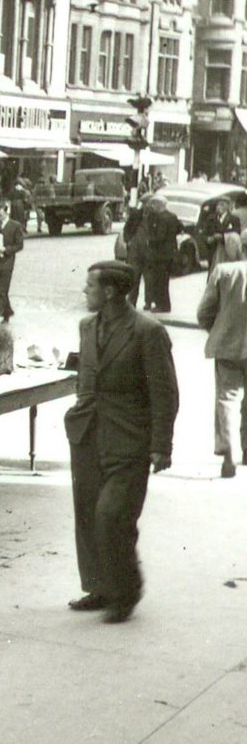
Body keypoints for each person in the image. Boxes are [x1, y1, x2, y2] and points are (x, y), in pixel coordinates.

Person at [66, 261, 177, 624]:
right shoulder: (87, 327)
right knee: (87, 515)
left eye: (90, 286)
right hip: (88, 434)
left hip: (129, 437)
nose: (85, 291)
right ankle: (100, 588)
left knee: (112, 515)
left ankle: (127, 590)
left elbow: (165, 393)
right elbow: (89, 375)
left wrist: (161, 445)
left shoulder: (147, 331)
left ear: (110, 291)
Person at [197, 258, 247, 478]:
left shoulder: (224, 271)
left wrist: (219, 331)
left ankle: (230, 453)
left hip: (228, 348)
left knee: (227, 398)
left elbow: (204, 313)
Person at [141, 195, 181, 313]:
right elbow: (180, 229)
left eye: (154, 204)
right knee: (165, 281)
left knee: (159, 281)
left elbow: (160, 236)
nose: (152, 206)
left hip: (160, 254)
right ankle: (165, 304)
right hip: (170, 253)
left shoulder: (161, 218)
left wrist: (149, 240)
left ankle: (162, 305)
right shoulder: (172, 216)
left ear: (159, 205)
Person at [203, 197, 242, 272]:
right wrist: (208, 239)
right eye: (218, 205)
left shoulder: (234, 219)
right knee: (213, 271)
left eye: (222, 205)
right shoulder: (211, 219)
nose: (219, 207)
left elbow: (237, 233)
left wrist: (223, 237)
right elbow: (204, 232)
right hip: (213, 250)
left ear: (227, 206)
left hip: (227, 250)